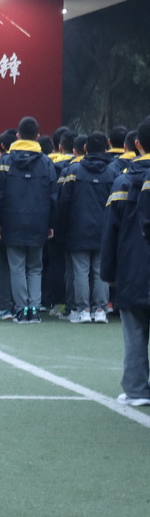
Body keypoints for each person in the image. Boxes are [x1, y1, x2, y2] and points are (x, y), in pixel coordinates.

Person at [0, 116, 57, 324]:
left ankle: (21, 310)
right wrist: (51, 223)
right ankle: (35, 309)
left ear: (18, 136)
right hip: (39, 222)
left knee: (17, 267)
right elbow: (53, 196)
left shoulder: (4, 162)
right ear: (38, 136)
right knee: (35, 267)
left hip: (12, 222)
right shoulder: (46, 163)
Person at [107, 116, 150, 405]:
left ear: (137, 144)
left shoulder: (123, 181)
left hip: (133, 268)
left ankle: (136, 390)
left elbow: (111, 232)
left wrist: (109, 273)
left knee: (134, 330)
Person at [57, 131, 116, 324]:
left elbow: (64, 202)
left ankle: (83, 309)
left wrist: (62, 228)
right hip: (104, 229)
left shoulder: (73, 171)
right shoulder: (112, 173)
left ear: (85, 148)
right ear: (106, 148)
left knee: (80, 271)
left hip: (78, 229)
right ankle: (100, 309)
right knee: (99, 271)